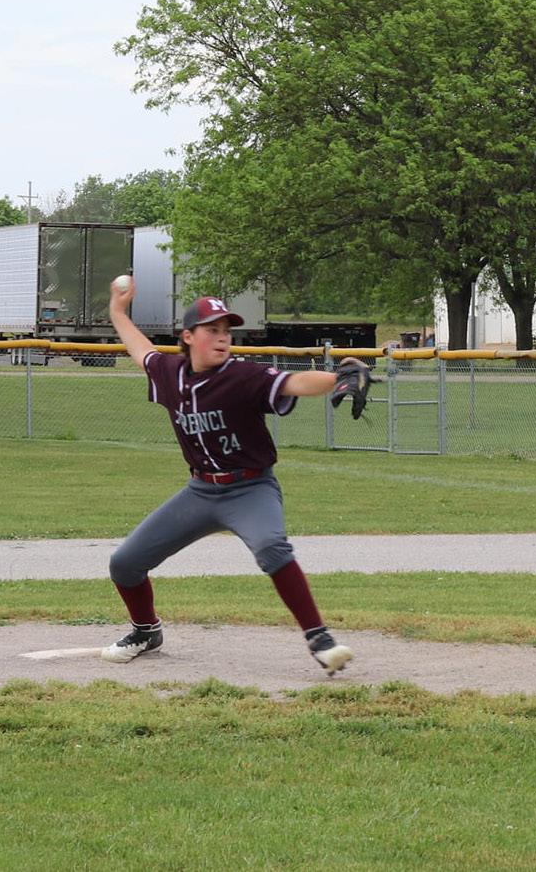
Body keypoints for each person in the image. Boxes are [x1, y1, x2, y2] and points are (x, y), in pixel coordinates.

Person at [99, 276, 357, 675]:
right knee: (125, 563)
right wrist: (117, 310)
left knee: (271, 547)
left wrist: (338, 378)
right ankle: (146, 631)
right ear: (188, 337)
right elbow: (141, 350)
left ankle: (319, 638)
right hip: (200, 492)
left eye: (226, 331)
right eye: (212, 330)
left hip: (251, 489)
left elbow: (295, 382)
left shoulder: (242, 375)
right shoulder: (170, 373)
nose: (222, 338)